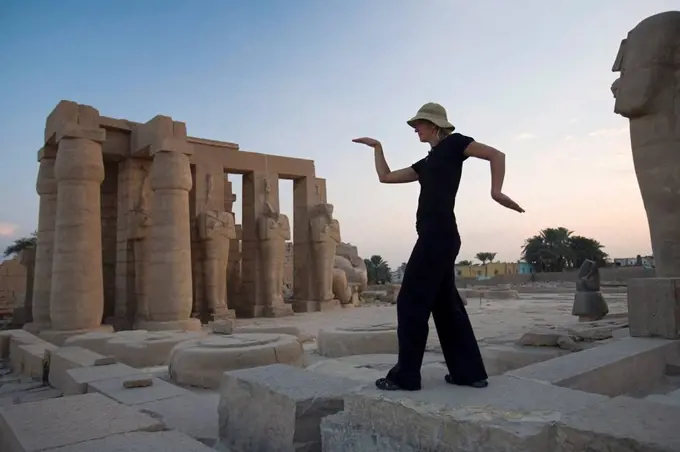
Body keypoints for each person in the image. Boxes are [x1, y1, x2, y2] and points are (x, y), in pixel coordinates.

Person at [352, 102, 524, 391]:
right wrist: (377, 148)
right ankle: (468, 373)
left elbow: (497, 154)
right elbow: (386, 177)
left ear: (433, 125)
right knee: (446, 305)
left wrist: (496, 191)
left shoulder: (456, 144)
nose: (415, 129)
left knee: (410, 302)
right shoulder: (426, 162)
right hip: (436, 236)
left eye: (418, 124)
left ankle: (406, 376)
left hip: (438, 236)